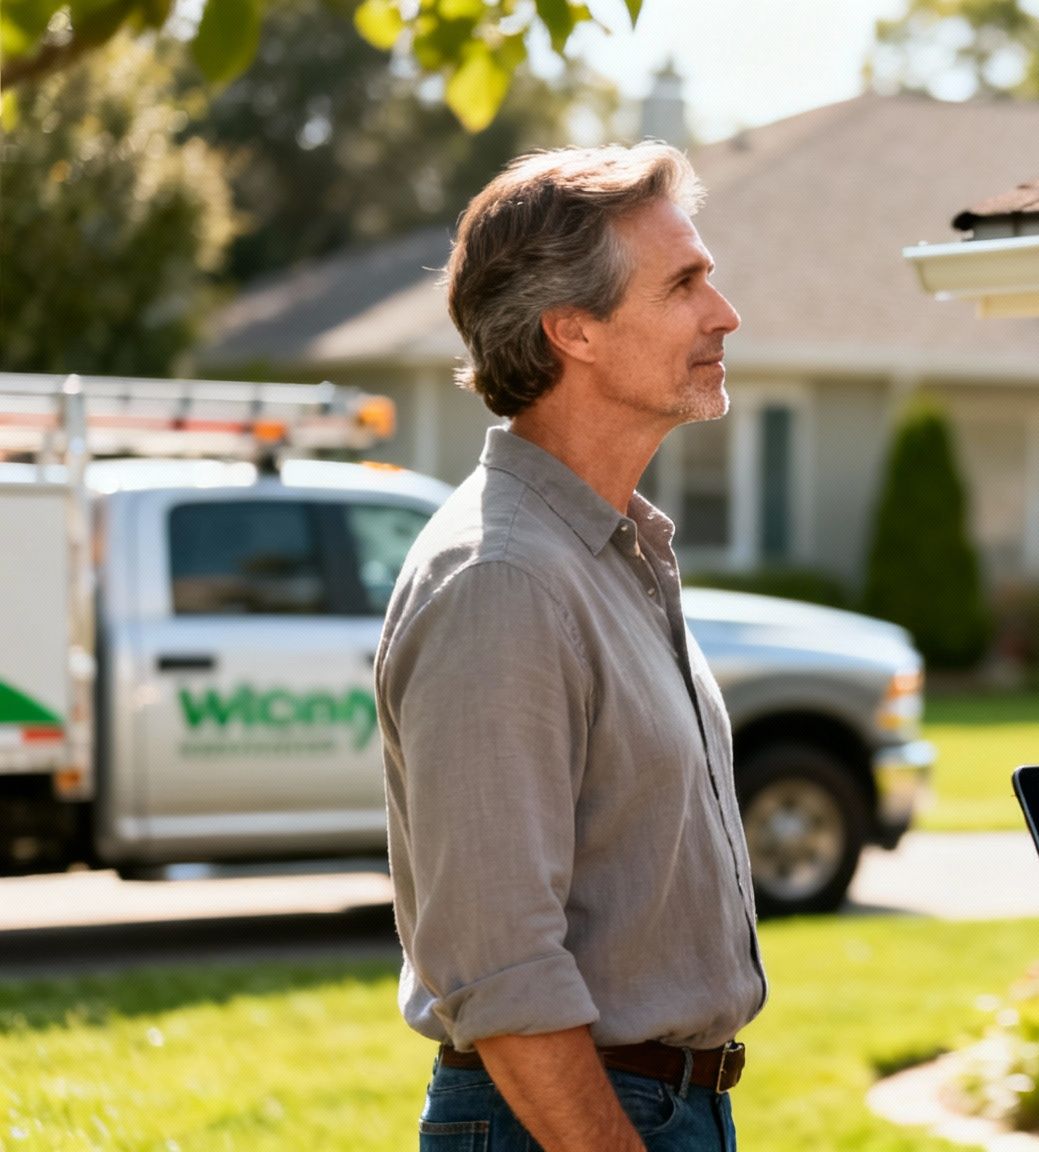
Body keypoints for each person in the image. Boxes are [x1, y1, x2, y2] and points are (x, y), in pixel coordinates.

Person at [375, 143, 758, 1152]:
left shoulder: (608, 549)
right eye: (683, 285)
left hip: (662, 1106)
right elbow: (500, 963)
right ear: (571, 330)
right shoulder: (501, 578)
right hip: (564, 1118)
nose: (723, 315)